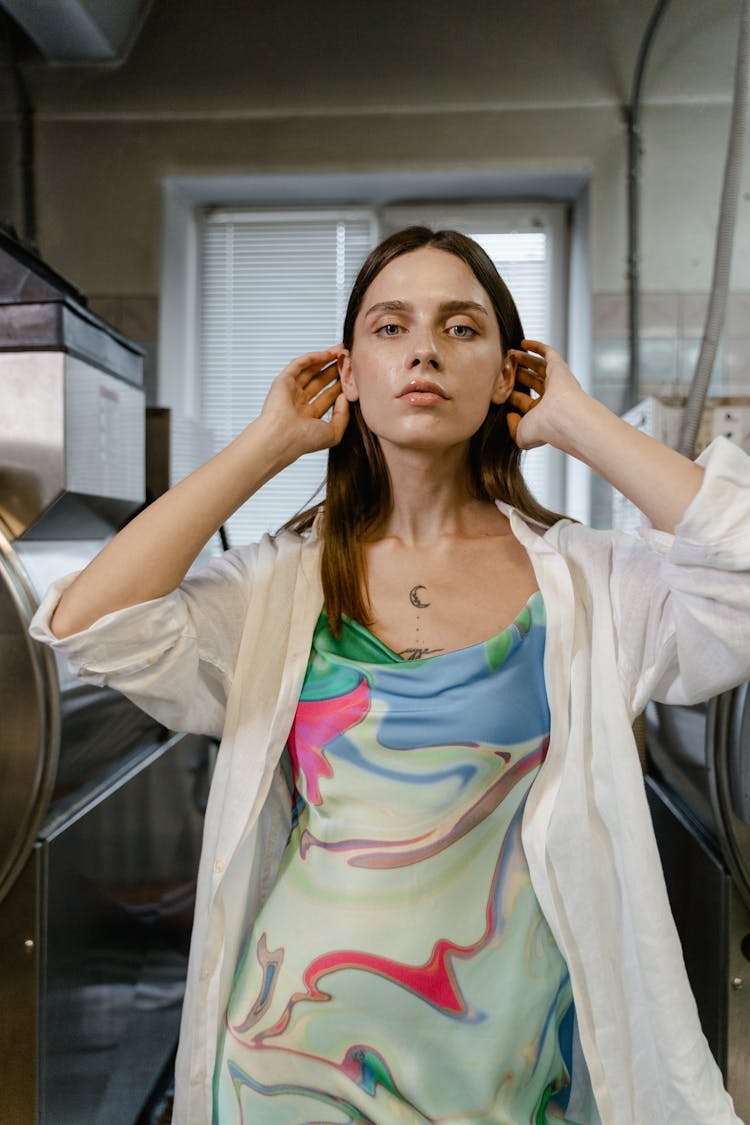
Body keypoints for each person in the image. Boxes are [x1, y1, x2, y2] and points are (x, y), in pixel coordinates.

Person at [30, 227, 750, 1125]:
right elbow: (89, 624)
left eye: (460, 328)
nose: (423, 350)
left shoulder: (585, 581)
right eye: (390, 327)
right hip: (289, 1059)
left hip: (510, 1066)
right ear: (351, 373)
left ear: (505, 373)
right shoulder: (284, 580)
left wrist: (577, 420)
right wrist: (266, 441)